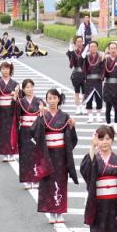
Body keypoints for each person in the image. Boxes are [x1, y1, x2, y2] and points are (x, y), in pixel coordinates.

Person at [31, 88, 78, 224]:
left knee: (61, 181)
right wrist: (40, 116)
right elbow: (34, 132)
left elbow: (71, 138)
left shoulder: (65, 116)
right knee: (47, 182)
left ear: (59, 99)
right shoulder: (43, 115)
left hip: (61, 153)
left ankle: (60, 211)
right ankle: (51, 212)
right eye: (49, 98)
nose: (52, 101)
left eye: (54, 98)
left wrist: (72, 126)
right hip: (47, 153)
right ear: (46, 100)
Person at [17, 79, 43, 188]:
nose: (29, 89)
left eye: (31, 86)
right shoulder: (21, 101)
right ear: (23, 89)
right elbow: (16, 116)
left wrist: (43, 110)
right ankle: (27, 180)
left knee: (37, 154)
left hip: (36, 131)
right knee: (25, 155)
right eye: (27, 87)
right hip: (24, 130)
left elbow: (44, 117)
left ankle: (36, 178)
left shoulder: (39, 101)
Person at [83, 40, 104, 123]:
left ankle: (98, 116)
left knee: (99, 98)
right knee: (89, 99)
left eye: (95, 46)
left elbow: (103, 68)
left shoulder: (101, 56)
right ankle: (90, 116)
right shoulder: (86, 57)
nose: (93, 48)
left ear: (97, 47)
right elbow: (81, 63)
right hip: (89, 81)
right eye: (91, 46)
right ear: (89, 48)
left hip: (98, 81)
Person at [67, 36, 87, 114]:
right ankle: (78, 108)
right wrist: (70, 45)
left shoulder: (86, 51)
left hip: (84, 74)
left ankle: (84, 107)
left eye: (81, 41)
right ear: (75, 43)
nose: (80, 43)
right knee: (77, 92)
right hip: (76, 74)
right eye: (78, 41)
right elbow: (69, 54)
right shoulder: (73, 52)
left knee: (85, 92)